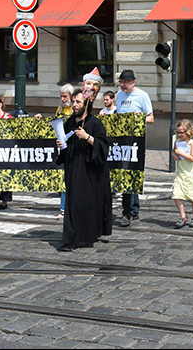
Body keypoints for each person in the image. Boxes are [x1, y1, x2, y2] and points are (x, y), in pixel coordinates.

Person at [56, 88, 112, 251]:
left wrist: (87, 137)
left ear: (86, 104)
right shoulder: (70, 122)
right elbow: (65, 145)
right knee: (72, 204)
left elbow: (103, 146)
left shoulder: (95, 123)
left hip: (90, 172)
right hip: (73, 169)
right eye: (73, 101)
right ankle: (70, 240)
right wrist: (61, 145)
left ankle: (86, 236)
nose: (74, 104)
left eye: (78, 102)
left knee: (86, 204)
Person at [115, 69, 154, 226]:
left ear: (133, 82)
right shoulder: (119, 95)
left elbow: (151, 118)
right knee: (126, 173)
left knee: (133, 173)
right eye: (121, 82)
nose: (123, 85)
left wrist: (140, 118)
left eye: (125, 82)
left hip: (136, 141)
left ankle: (129, 211)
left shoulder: (142, 96)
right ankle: (132, 209)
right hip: (122, 141)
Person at [34, 84, 74, 219]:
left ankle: (64, 209)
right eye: (61, 96)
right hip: (60, 148)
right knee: (60, 179)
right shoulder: (60, 109)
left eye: (65, 96)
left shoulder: (73, 109)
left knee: (65, 180)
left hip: (71, 148)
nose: (62, 99)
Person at [171, 119, 193, 228]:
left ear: (188, 132)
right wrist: (175, 155)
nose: (179, 134)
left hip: (190, 173)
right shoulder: (177, 142)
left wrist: (180, 153)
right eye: (178, 132)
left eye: (181, 132)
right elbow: (174, 153)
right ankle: (182, 215)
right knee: (176, 194)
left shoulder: (191, 143)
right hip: (180, 173)